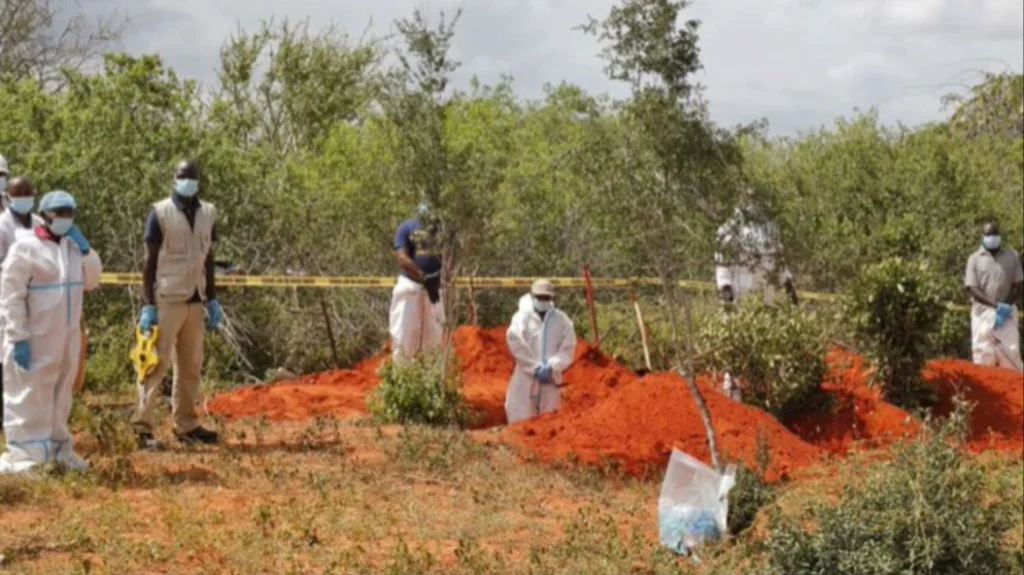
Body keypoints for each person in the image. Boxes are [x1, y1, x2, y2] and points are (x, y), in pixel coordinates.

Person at [0, 190, 102, 473]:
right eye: (61, 214)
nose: (66, 219)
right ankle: (25, 458)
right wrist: (17, 337)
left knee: (61, 396)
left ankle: (58, 451)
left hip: (65, 338)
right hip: (33, 339)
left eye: (70, 213)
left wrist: (86, 249)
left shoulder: (71, 247)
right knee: (28, 398)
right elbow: (11, 296)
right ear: (46, 216)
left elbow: (92, 281)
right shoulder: (25, 248)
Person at [131, 160, 222, 449]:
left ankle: (187, 425)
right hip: (166, 299)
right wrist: (148, 305)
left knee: (190, 366)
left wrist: (213, 297)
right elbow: (149, 262)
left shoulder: (208, 212)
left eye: (193, 176)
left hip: (196, 300)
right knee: (154, 364)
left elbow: (208, 257)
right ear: (174, 178)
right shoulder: (160, 213)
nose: (188, 181)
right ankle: (142, 428)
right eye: (183, 176)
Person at [505, 279, 577, 424]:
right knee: (520, 418)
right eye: (540, 297)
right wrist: (534, 367)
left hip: (550, 379)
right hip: (525, 378)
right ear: (532, 296)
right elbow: (515, 341)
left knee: (549, 421)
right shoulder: (521, 318)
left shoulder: (562, 320)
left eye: (546, 297)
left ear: (551, 298)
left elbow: (568, 346)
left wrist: (552, 365)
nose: (543, 301)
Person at [0, 177, 42, 400]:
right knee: (5, 360)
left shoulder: (38, 224)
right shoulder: (2, 226)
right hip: (8, 300)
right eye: (19, 195)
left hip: (36, 298)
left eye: (28, 194)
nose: (24, 200)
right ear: (9, 197)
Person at [964, 221, 1023, 371]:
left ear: (1000, 236)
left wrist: (1005, 306)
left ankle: (1014, 391)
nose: (992, 237)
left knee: (1010, 352)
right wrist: (995, 306)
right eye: (989, 234)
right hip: (982, 312)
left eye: (995, 234)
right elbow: (972, 288)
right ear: (983, 237)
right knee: (983, 353)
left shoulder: (1012, 256)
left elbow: (1019, 284)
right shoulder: (974, 259)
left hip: (1007, 311)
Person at [390, 203, 444, 363]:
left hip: (436, 289)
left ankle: (431, 378)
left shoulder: (441, 230)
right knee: (404, 334)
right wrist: (424, 277)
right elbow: (402, 258)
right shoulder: (405, 228)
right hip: (410, 288)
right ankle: (402, 377)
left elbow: (450, 256)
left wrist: (437, 279)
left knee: (434, 336)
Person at [714, 204, 798, 307]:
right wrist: (727, 298)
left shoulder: (771, 230)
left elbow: (781, 268)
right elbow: (722, 268)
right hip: (740, 297)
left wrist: (792, 297)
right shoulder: (730, 230)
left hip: (767, 300)